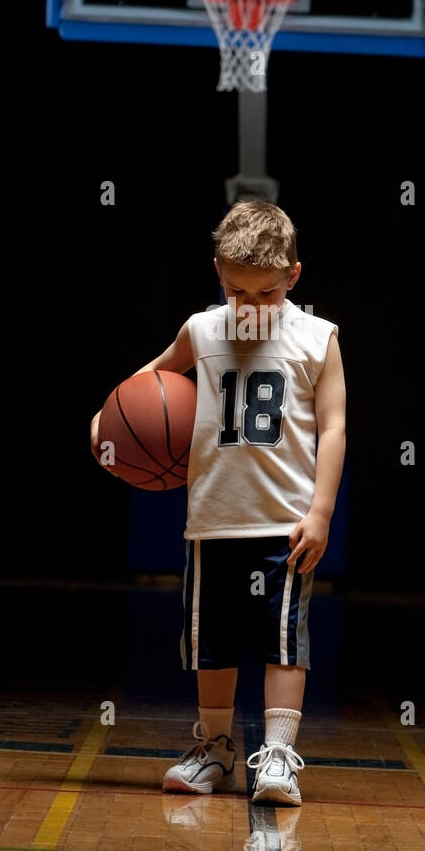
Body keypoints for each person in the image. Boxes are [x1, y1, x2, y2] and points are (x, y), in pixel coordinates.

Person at [91, 200, 346, 804]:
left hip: (287, 522)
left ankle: (280, 755)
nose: (251, 306)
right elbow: (146, 386)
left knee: (285, 642)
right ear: (217, 274)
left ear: (293, 277)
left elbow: (333, 428)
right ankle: (215, 748)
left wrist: (322, 512)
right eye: (237, 292)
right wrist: (104, 425)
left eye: (266, 293)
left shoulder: (318, 338)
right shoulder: (202, 329)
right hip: (213, 520)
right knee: (213, 642)